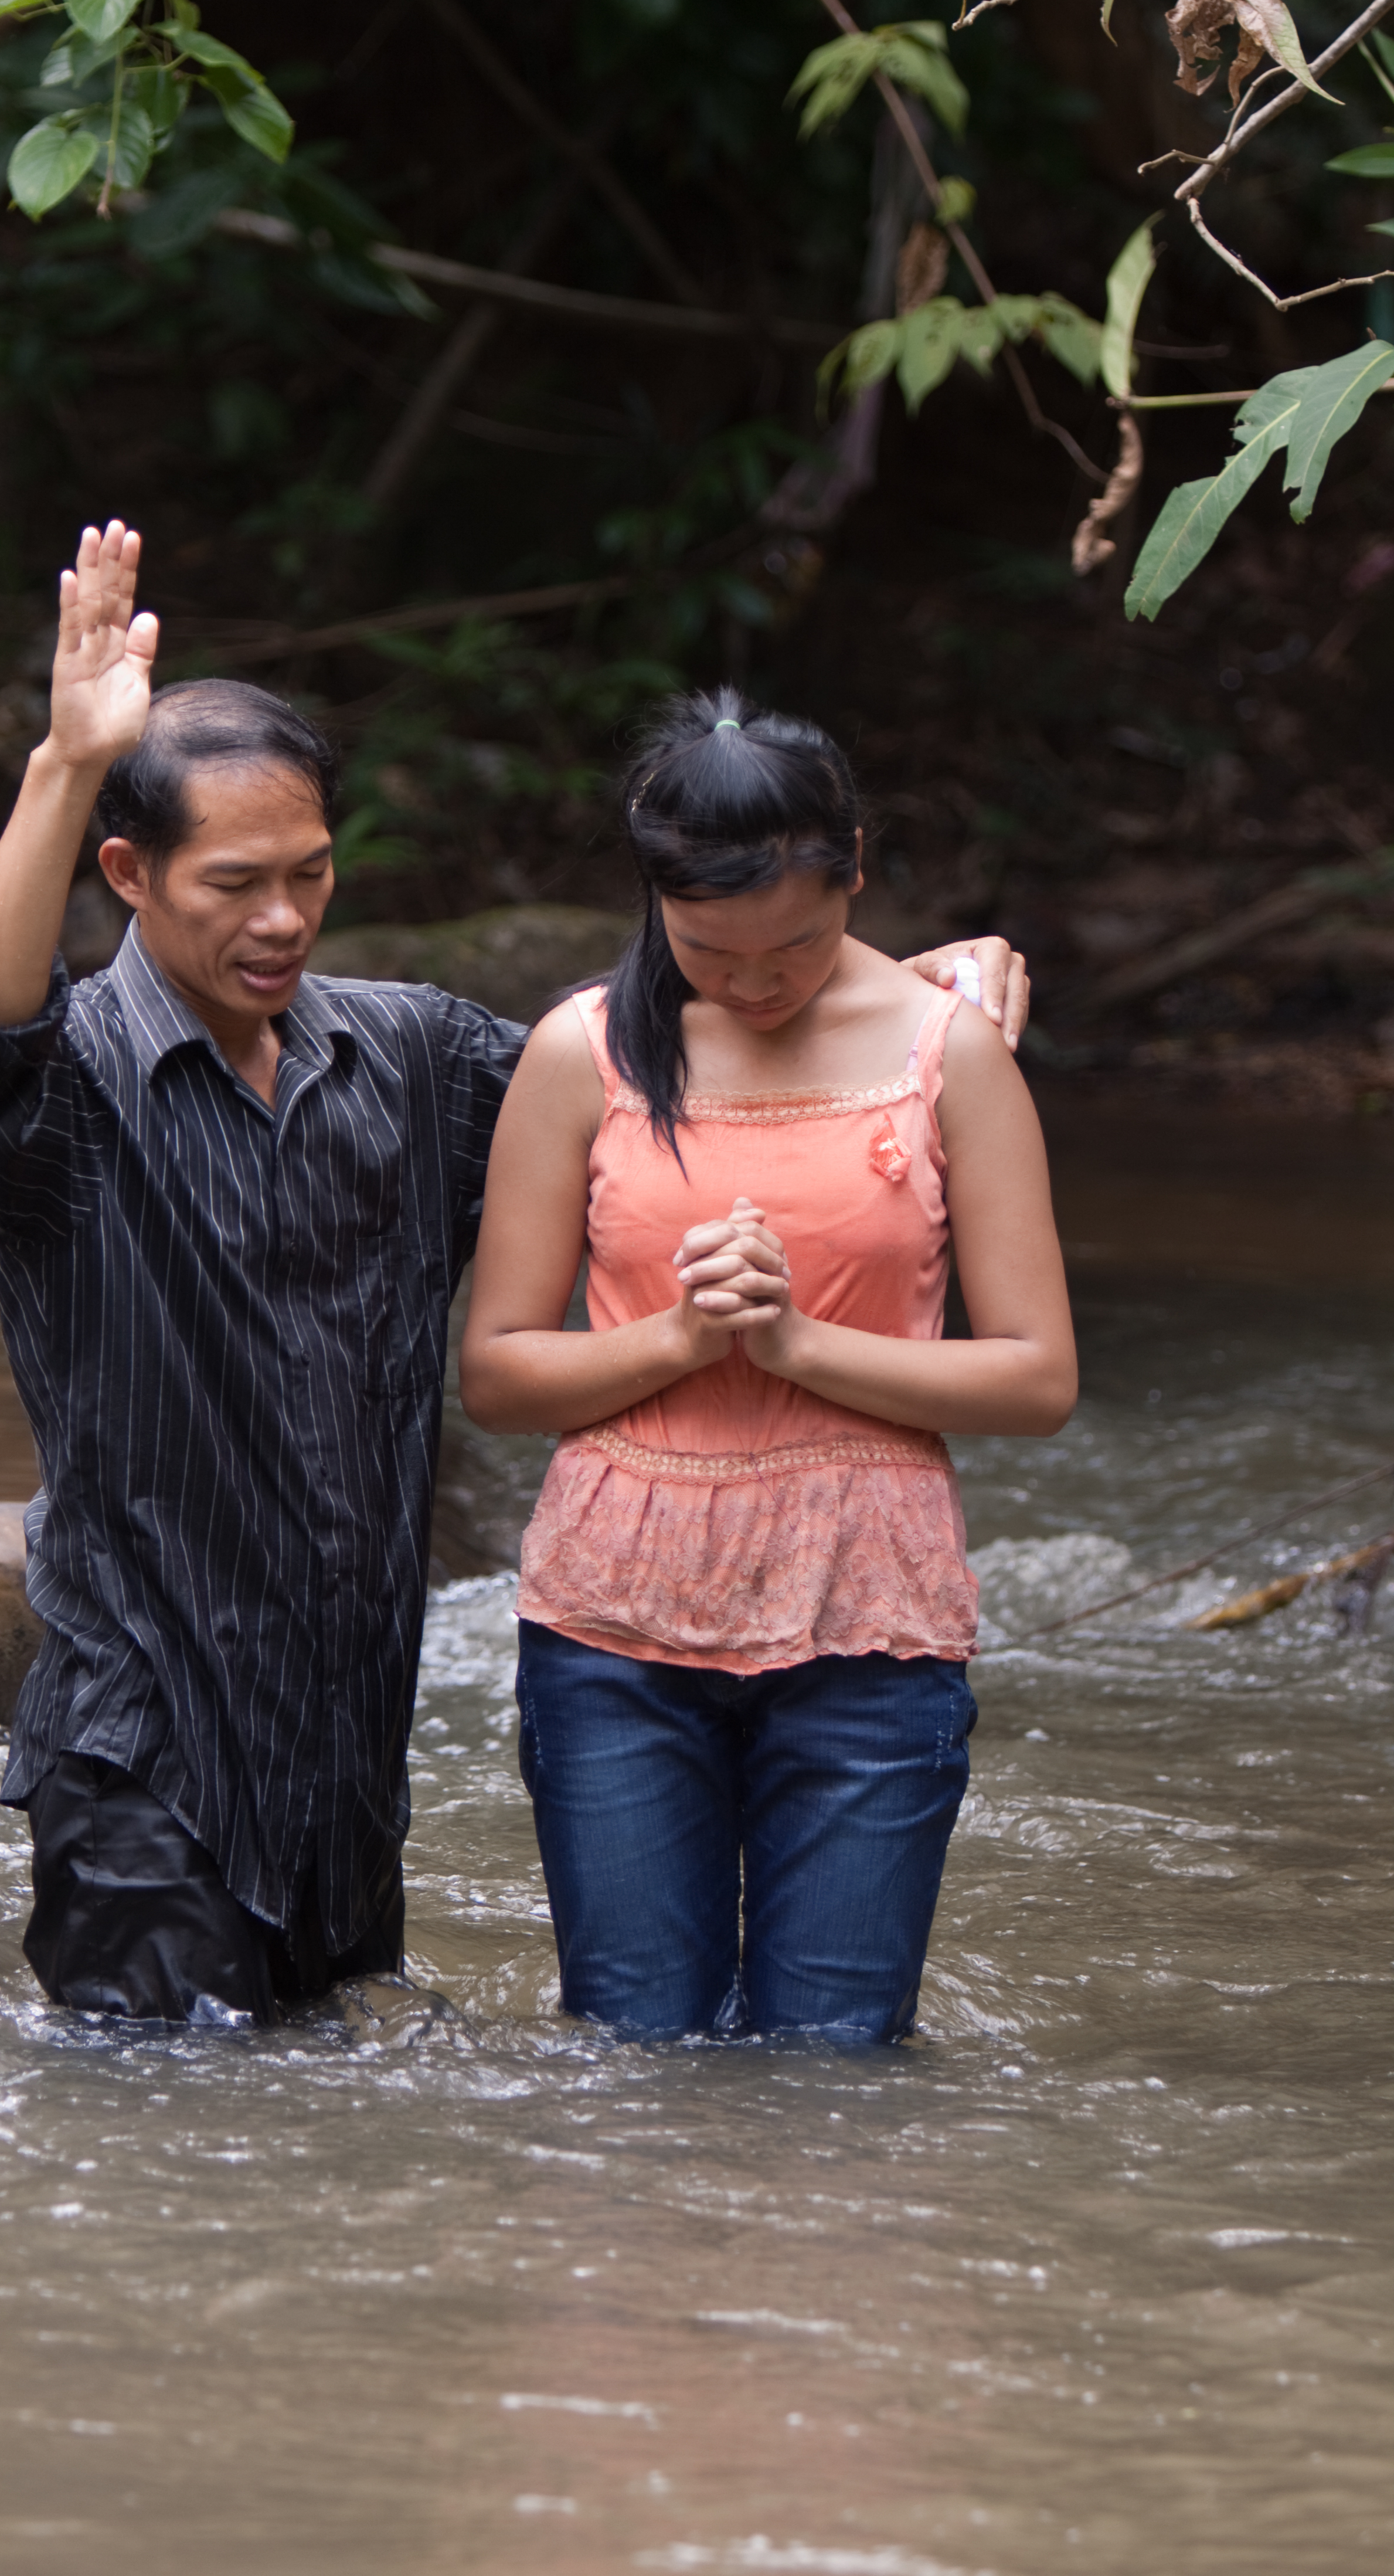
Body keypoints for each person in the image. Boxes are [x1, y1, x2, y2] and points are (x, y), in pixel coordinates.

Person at [0, 523, 1035, 2025]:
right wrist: (62, 766)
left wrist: (897, 986)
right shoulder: (69, 1096)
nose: (286, 918)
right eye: (237, 883)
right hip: (147, 1742)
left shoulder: (412, 1053)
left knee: (320, 2156)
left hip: (339, 1751)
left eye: (311, 872)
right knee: (166, 2148)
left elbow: (675, 1101)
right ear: (127, 874)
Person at [459, 691, 1076, 2044]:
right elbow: (497, 1375)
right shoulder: (586, 1052)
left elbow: (1037, 1378)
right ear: (654, 903)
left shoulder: (949, 1051)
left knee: (836, 2066)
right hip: (613, 1626)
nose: (754, 983)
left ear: (856, 863)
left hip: (870, 1618)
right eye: (706, 950)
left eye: (796, 942)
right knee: (634, 2053)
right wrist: (682, 1339)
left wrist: (795, 1345)